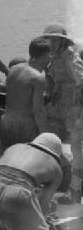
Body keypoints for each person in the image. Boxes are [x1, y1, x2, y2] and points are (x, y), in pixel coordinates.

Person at [42, 23, 83, 202]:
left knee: (76, 149)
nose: (50, 42)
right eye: (48, 39)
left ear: (61, 40)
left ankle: (75, 192)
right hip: (59, 107)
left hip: (74, 108)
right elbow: (51, 80)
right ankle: (58, 182)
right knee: (46, 140)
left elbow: (81, 81)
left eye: (53, 39)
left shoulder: (70, 56)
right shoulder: (53, 56)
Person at [0, 37, 53, 151]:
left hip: (6, 121)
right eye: (50, 55)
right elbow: (38, 111)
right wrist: (46, 137)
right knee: (25, 161)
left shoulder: (13, 69)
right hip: (25, 125)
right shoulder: (37, 78)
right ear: (46, 55)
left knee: (6, 158)